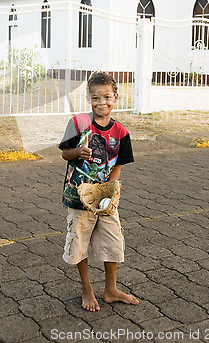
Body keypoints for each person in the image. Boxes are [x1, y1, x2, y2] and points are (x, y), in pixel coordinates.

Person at [59, 71, 139, 311]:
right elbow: (65, 153)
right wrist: (78, 152)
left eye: (106, 97)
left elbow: (118, 166)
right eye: (95, 98)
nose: (101, 102)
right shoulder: (78, 123)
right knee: (79, 242)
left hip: (104, 199)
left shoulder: (121, 133)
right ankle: (87, 288)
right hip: (79, 196)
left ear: (115, 97)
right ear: (89, 99)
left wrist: (110, 192)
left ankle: (111, 289)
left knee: (114, 241)